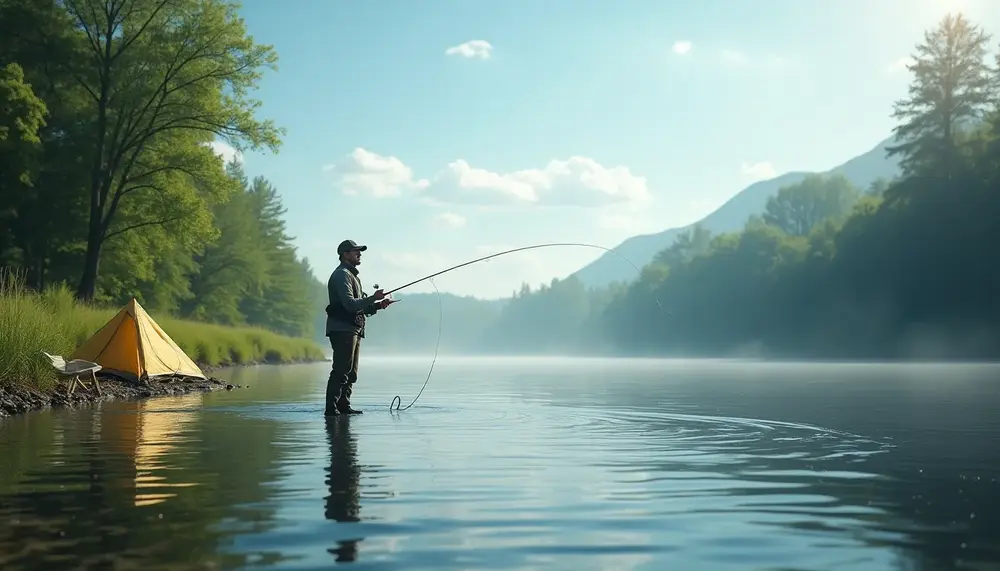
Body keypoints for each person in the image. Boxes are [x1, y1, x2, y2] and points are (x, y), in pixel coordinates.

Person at [325, 239, 396, 416]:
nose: (359, 254)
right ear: (344, 254)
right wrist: (373, 297)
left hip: (353, 329)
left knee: (351, 373)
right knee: (341, 370)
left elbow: (358, 307)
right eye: (355, 251)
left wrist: (378, 305)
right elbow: (350, 305)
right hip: (342, 329)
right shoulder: (342, 275)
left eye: (359, 251)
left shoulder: (352, 276)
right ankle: (331, 409)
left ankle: (343, 406)